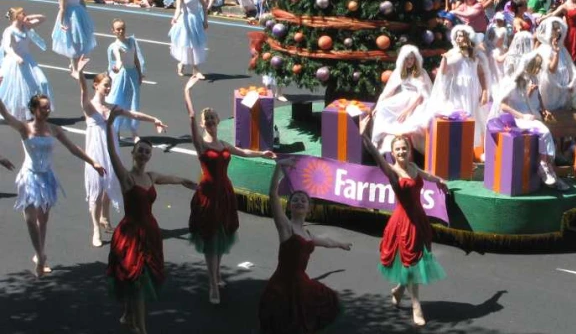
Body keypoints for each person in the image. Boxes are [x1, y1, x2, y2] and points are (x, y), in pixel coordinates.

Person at [184, 77, 275, 304]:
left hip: (224, 192)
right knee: (211, 237)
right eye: (208, 120)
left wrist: (262, 154)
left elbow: (243, 152)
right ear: (204, 124)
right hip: (208, 193)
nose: (212, 122)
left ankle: (216, 274)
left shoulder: (223, 144)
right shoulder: (202, 145)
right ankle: (213, 284)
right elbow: (191, 118)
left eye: (214, 119)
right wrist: (187, 92)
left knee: (221, 235)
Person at [105, 108, 196, 334]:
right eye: (141, 151)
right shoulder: (126, 177)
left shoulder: (150, 176)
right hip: (131, 234)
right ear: (133, 153)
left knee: (139, 279)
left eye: (147, 151)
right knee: (136, 279)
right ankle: (142, 328)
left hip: (150, 233)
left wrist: (184, 180)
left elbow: (168, 178)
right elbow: (111, 153)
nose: (144, 154)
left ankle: (127, 315)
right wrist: (110, 124)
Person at [0, 92, 104, 276]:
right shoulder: (25, 127)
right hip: (29, 176)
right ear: (33, 109)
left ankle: (39, 252)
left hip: (47, 177)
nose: (47, 110)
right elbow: (6, 114)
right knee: (31, 219)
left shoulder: (54, 129)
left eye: (48, 107)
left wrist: (92, 162)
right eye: (43, 107)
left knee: (43, 219)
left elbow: (73, 148)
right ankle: (41, 256)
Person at [361, 119, 447, 326]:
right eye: (397, 149)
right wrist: (364, 134)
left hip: (419, 219)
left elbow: (425, 175)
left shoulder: (414, 166)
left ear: (409, 150)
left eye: (404, 148)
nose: (401, 152)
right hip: (403, 222)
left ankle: (399, 289)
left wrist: (440, 181)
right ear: (393, 152)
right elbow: (373, 153)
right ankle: (416, 306)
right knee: (410, 263)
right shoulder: (392, 172)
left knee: (414, 263)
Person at [76, 56, 166, 250]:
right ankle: (95, 229)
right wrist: (81, 73)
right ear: (96, 85)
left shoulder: (111, 108)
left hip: (111, 150)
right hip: (95, 152)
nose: (108, 88)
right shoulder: (90, 107)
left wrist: (154, 119)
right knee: (97, 190)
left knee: (111, 183)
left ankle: (104, 216)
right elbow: (83, 91)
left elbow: (132, 114)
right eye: (105, 85)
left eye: (110, 85)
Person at [258, 160, 351, 334]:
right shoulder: (286, 227)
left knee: (305, 319)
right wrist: (279, 167)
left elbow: (326, 241)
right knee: (283, 323)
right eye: (295, 200)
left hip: (301, 285)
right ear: (290, 206)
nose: (299, 202)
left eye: (303, 200)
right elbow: (272, 195)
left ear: (309, 209)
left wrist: (341, 244)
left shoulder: (308, 235)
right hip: (282, 285)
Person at [490, 53, 567, 189]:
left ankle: (549, 165)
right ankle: (543, 165)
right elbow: (504, 105)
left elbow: (538, 97)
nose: (538, 70)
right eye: (536, 67)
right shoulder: (515, 82)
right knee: (544, 131)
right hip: (518, 117)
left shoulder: (533, 78)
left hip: (532, 114)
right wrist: (521, 115)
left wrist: (543, 109)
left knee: (549, 130)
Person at [428, 25, 490, 157]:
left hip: (472, 89)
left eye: (461, 35)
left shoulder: (474, 54)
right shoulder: (452, 53)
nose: (458, 38)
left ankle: (470, 151)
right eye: (456, 36)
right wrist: (444, 59)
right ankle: (458, 151)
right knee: (462, 114)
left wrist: (484, 91)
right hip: (459, 90)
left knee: (474, 116)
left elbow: (481, 74)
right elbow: (443, 72)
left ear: (467, 37)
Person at [371, 45, 433, 154]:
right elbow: (388, 91)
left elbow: (421, 95)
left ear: (416, 59)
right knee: (383, 108)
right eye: (407, 59)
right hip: (403, 97)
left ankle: (412, 148)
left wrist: (407, 111)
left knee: (414, 121)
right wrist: (378, 105)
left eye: (412, 59)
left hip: (416, 102)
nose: (409, 61)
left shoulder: (420, 72)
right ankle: (378, 139)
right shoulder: (399, 72)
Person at [0, 8, 52, 120]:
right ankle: (19, 112)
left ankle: (35, 109)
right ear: (16, 16)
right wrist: (16, 57)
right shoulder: (9, 31)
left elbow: (43, 18)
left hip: (28, 60)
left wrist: (32, 17)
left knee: (43, 81)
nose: (25, 15)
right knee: (17, 88)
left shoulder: (26, 26)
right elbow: (7, 47)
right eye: (22, 13)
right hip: (14, 62)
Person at [51, 0, 96, 76]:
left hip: (80, 14)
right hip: (69, 16)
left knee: (82, 41)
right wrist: (61, 23)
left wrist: (86, 14)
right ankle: (75, 70)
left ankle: (74, 64)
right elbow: (62, 7)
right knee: (73, 42)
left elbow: (81, 1)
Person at [106, 19, 145, 141]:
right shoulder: (115, 46)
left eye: (123, 28)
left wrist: (139, 73)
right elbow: (118, 61)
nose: (121, 31)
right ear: (113, 31)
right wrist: (116, 68)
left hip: (132, 75)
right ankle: (115, 130)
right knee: (120, 103)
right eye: (118, 29)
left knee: (133, 103)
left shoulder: (132, 41)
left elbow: (136, 59)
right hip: (122, 76)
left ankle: (134, 131)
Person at [169, 0, 208, 78]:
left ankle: (182, 63)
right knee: (190, 44)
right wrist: (174, 18)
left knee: (195, 44)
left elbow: (204, 5)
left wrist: (205, 20)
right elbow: (178, 9)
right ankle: (196, 70)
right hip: (186, 21)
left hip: (196, 20)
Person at [535, 17, 576, 111]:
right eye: (555, 28)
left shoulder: (562, 48)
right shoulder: (544, 50)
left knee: (563, 113)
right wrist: (556, 53)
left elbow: (570, 64)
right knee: (552, 113)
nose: (559, 30)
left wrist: (575, 78)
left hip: (563, 88)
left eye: (559, 28)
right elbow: (551, 69)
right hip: (551, 88)